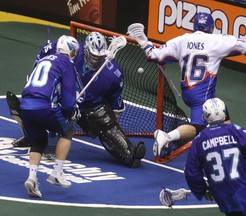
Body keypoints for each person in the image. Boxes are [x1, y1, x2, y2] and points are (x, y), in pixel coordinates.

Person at [127, 12, 246, 158]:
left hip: (188, 91)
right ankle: (167, 137)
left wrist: (143, 41)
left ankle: (229, 145)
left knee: (221, 112)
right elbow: (245, 45)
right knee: (199, 127)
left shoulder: (182, 40)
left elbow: (154, 56)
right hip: (202, 94)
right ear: (211, 27)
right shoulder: (216, 40)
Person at [11, 31, 146, 168]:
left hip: (88, 107)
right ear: (85, 49)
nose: (95, 59)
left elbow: (115, 102)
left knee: (103, 120)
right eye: (92, 55)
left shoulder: (113, 74)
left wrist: (111, 123)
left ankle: (129, 153)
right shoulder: (72, 49)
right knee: (40, 107)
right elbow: (44, 53)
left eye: (98, 56)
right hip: (62, 98)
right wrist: (35, 72)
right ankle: (33, 137)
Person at [184, 97, 246, 215]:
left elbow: (191, 171)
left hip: (224, 199)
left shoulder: (199, 140)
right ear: (224, 112)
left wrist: (202, 189)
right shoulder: (237, 132)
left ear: (204, 115)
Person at [20, 35, 80, 198]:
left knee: (39, 141)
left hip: (25, 106)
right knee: (67, 131)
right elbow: (68, 102)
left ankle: (32, 178)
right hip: (44, 106)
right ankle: (57, 173)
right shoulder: (66, 63)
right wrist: (72, 112)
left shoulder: (44, 59)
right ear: (71, 50)